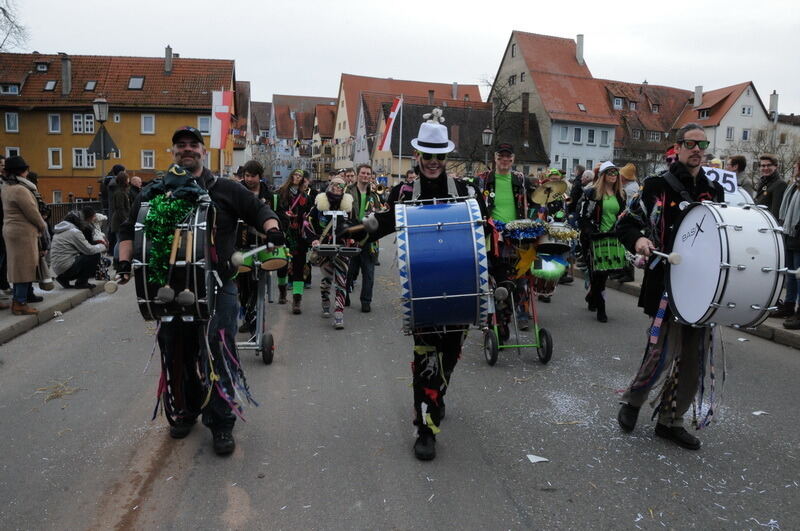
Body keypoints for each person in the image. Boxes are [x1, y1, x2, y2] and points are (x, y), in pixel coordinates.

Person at [116, 126, 281, 456]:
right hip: (171, 290)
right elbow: (127, 228)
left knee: (216, 351)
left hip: (219, 286)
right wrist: (123, 261)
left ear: (202, 151)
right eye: (181, 145)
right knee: (176, 351)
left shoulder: (225, 189)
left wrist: (273, 230)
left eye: (193, 144)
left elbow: (260, 211)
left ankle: (221, 424)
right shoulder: (156, 191)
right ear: (173, 151)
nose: (187, 149)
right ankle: (185, 410)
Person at [366, 111, 486, 461]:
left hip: (460, 288)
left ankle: (437, 393)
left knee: (448, 358)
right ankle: (425, 428)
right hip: (422, 291)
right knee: (426, 362)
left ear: (446, 158)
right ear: (417, 155)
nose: (433, 162)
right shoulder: (403, 191)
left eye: (439, 156)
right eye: (427, 155)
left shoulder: (466, 191)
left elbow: (483, 231)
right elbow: (387, 222)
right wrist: (363, 229)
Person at [615, 123, 724, 450]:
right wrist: (640, 239)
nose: (697, 149)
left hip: (703, 288)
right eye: (691, 143)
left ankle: (670, 420)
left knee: (694, 358)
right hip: (667, 284)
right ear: (677, 147)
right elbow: (626, 223)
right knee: (661, 352)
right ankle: (633, 402)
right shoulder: (656, 186)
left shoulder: (714, 192)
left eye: (702, 144)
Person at [477, 143, 535, 324]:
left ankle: (520, 313)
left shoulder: (521, 179)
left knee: (520, 277)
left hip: (517, 235)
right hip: (492, 236)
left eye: (508, 157)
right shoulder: (484, 179)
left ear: (513, 159)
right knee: (494, 277)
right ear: (495, 158)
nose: (504, 160)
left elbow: (537, 200)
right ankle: (496, 318)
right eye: (501, 157)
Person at [578, 161, 626, 322]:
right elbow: (584, 216)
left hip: (612, 238)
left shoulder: (620, 194)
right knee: (596, 273)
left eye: (615, 173)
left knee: (603, 274)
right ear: (603, 175)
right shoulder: (591, 193)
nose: (613, 176)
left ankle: (593, 297)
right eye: (610, 173)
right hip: (594, 238)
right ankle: (601, 307)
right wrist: (591, 233)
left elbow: (623, 216)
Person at [0, 156, 48, 315]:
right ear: (23, 171)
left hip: (11, 230)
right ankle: (19, 303)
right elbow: (33, 213)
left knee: (17, 266)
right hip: (23, 232)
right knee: (24, 267)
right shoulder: (21, 190)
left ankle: (20, 300)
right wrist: (42, 225)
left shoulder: (6, 187)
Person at [309, 177, 354, 329]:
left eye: (340, 185)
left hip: (342, 248)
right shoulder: (319, 205)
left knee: (341, 281)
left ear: (344, 188)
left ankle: (339, 314)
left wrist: (353, 238)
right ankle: (325, 300)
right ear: (329, 186)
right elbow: (307, 222)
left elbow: (354, 225)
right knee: (327, 279)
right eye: (334, 184)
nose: (337, 187)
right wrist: (314, 239)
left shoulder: (348, 206)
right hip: (325, 249)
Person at [345, 164, 382, 313]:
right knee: (349, 271)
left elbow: (379, 214)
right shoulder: (348, 192)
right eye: (363, 173)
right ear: (358, 175)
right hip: (352, 237)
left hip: (369, 238)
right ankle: (344, 295)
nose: (365, 176)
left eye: (368, 174)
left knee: (369, 272)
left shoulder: (374, 195)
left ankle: (366, 301)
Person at [275, 169, 311, 313]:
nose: (297, 177)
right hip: (283, 233)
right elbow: (274, 210)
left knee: (298, 267)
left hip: (299, 236)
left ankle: (297, 300)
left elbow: (308, 215)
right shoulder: (280, 193)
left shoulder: (305, 197)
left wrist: (304, 221)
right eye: (295, 175)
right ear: (291, 176)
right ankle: (283, 291)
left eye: (300, 176)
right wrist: (284, 215)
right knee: (282, 266)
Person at [50, 211, 106, 289]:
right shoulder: (74, 232)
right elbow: (89, 250)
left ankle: (63, 278)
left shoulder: (59, 231)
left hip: (58, 269)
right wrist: (102, 246)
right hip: (67, 268)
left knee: (85, 255)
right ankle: (81, 283)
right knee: (94, 255)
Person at [774, 161, 800, 326]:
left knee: (799, 277)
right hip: (790, 234)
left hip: (798, 236)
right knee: (790, 274)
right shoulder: (794, 186)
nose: (796, 168)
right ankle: (789, 306)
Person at [754, 154, 786, 220]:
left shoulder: (780, 184)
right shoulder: (762, 182)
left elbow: (776, 212)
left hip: (767, 225)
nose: (766, 168)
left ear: (775, 166)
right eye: (763, 166)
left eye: (769, 165)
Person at [110, 171, 131, 258]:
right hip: (119, 221)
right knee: (119, 241)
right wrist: (125, 221)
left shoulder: (122, 191)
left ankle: (117, 259)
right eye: (127, 178)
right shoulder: (119, 192)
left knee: (120, 241)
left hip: (120, 220)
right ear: (124, 180)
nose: (128, 180)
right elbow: (120, 208)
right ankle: (116, 260)